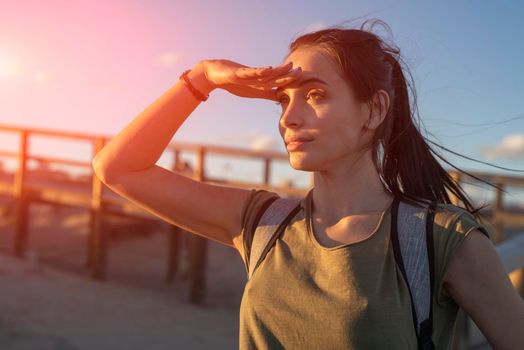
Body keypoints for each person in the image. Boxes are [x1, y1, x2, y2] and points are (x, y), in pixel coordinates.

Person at [92, 18, 524, 349]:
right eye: (284, 99)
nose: (288, 117)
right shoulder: (261, 222)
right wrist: (202, 78)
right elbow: (118, 168)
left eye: (315, 95)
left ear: (373, 111)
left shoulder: (441, 238)